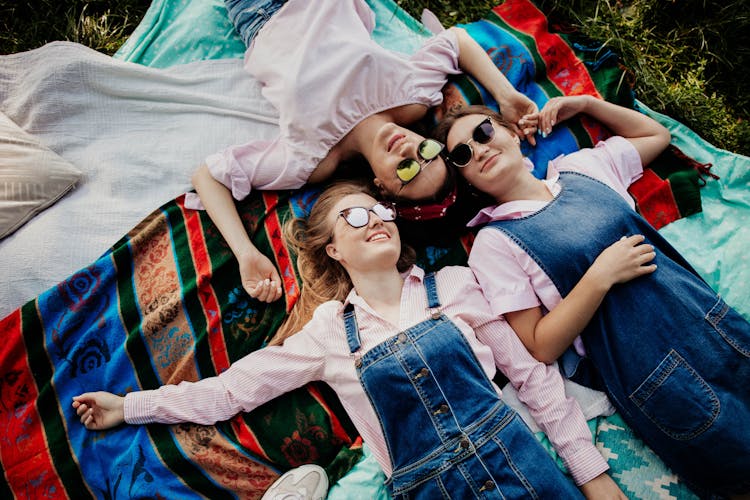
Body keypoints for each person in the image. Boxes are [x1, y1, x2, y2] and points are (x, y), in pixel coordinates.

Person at [72, 181, 626, 499]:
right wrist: (131, 406)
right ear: (333, 249)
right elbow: (230, 392)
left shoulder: (455, 287)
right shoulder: (330, 333)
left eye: (380, 210)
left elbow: (531, 376)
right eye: (354, 216)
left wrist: (593, 476)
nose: (375, 220)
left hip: (521, 467)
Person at [433, 95, 750, 498]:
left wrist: (584, 105)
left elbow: (656, 134)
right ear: (468, 182)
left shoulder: (582, 168)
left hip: (714, 327)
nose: (479, 149)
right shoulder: (493, 243)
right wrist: (599, 277)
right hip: (658, 379)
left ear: (514, 133)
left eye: (483, 132)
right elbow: (540, 345)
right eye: (463, 154)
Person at [188, 0, 539, 303]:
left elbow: (210, 176)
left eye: (407, 170)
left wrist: (246, 254)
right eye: (428, 152)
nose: (409, 150)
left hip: (262, 12)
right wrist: (506, 95)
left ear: (381, 188)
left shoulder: (313, 160)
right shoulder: (414, 99)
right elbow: (458, 41)